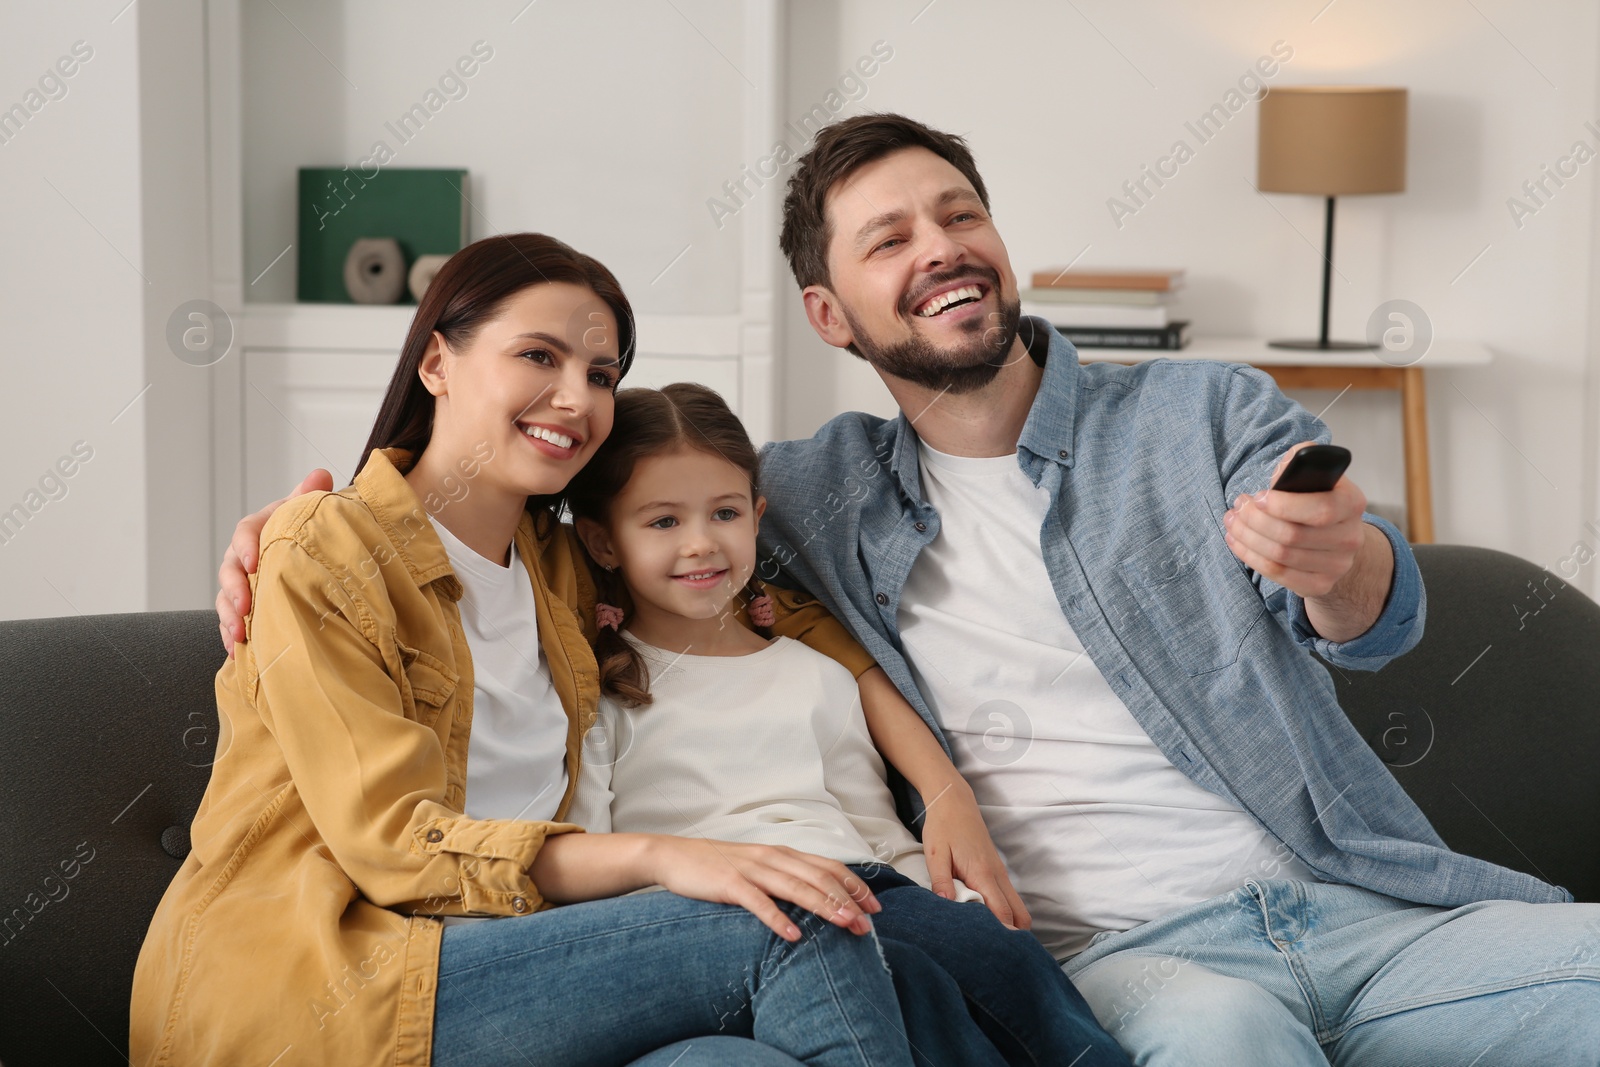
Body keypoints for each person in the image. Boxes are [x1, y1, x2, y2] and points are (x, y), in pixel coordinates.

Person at [216, 116, 1600, 1064]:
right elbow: (625, 532)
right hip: (1129, 957)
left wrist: (1344, 560)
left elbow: (1362, 606)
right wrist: (301, 523)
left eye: (959, 213)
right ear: (831, 313)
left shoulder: (1197, 413)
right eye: (887, 239)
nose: (938, 245)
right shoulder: (807, 492)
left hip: (1367, 906)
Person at [134, 233, 943, 1067]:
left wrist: (940, 781)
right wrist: (664, 856)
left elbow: (732, 589)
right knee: (795, 917)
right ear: (437, 363)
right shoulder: (329, 550)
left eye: (600, 375)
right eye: (538, 356)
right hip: (336, 984)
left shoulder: (560, 562)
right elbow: (393, 842)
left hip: (524, 964)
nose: (575, 398)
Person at [560, 382, 1130, 1067]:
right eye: (662, 522)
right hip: (718, 919)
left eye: (724, 512)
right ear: (602, 541)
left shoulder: (815, 673)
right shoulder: (604, 691)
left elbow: (876, 829)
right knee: (909, 979)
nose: (702, 543)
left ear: (757, 514)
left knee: (990, 952)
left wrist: (955, 900)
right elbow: (588, 848)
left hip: (863, 887)